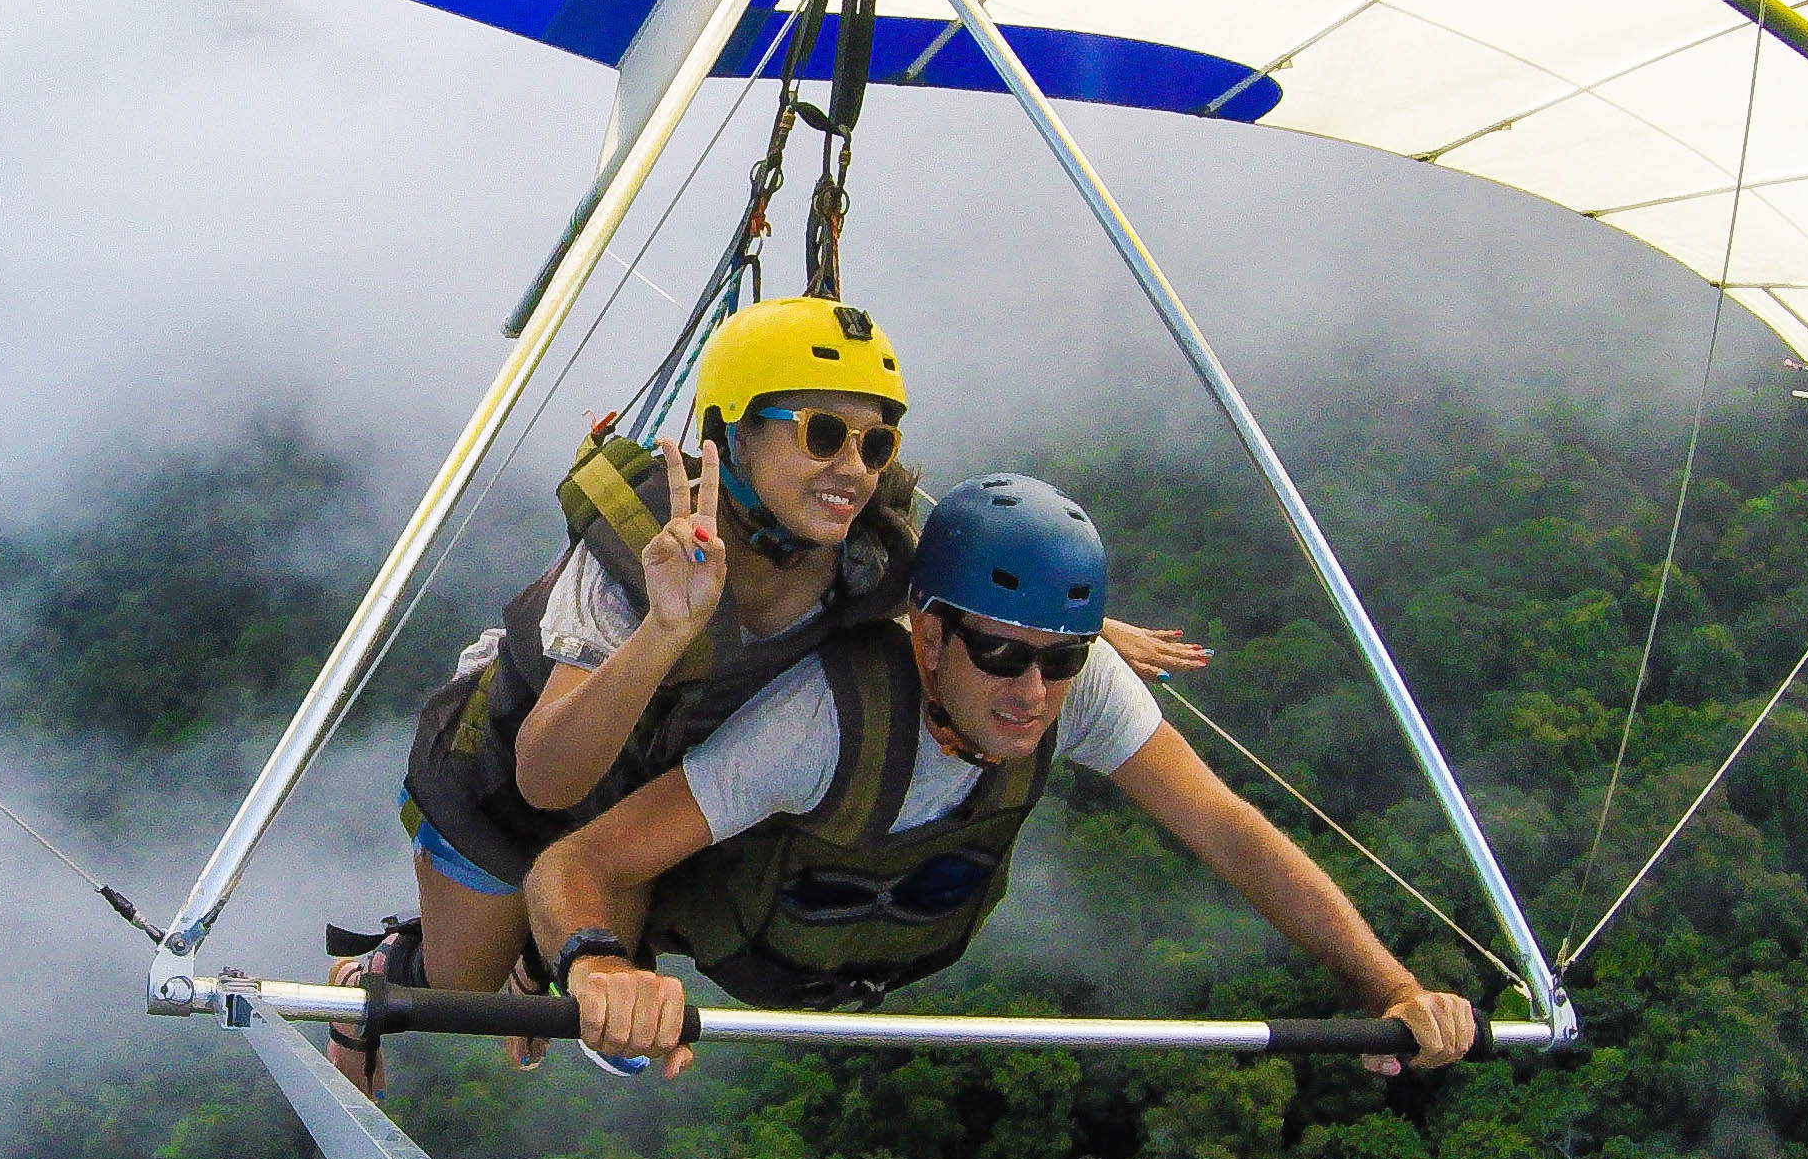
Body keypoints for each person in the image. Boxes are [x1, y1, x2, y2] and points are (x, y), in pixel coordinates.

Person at [336, 299, 1205, 1090]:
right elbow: (546, 783)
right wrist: (663, 634)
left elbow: (963, 605)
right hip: (504, 783)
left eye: (877, 444)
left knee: (610, 1021)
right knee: (458, 993)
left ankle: (542, 949)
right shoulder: (632, 571)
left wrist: (1079, 633)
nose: (854, 469)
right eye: (823, 433)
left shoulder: (865, 556)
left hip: (631, 807)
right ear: (734, 436)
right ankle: (372, 974)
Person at [520, 473, 1480, 1078]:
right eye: (1001, 655)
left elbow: (1228, 831)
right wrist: (595, 961)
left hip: (875, 942)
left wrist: (1390, 988)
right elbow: (577, 862)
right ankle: (482, 967)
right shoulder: (816, 720)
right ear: (929, 636)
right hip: (739, 932)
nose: (1035, 691)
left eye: (1062, 658)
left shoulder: (1077, 683)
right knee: (502, 957)